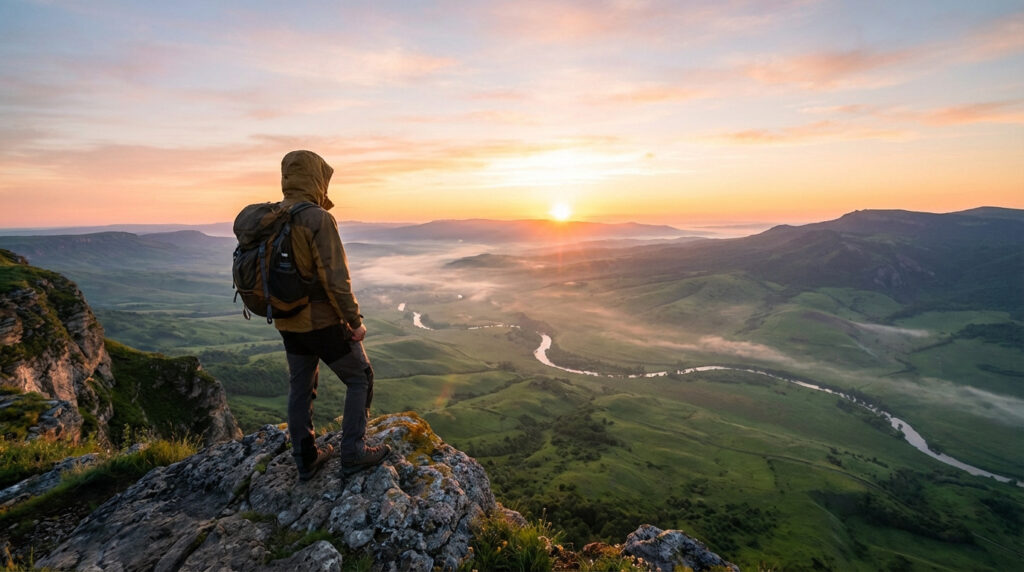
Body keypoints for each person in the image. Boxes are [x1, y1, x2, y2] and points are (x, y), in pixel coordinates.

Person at [273, 149, 389, 481]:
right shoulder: (316, 218)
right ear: (317, 178)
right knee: (360, 378)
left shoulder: (275, 215)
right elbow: (336, 279)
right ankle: (353, 452)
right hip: (322, 322)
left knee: (301, 388)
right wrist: (355, 322)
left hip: (287, 321)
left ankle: (306, 459)